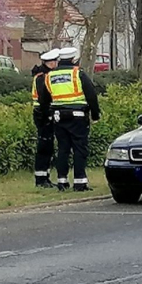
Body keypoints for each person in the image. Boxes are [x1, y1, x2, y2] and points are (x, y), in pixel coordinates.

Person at [39, 47, 101, 192]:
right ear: (74, 59)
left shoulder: (49, 76)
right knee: (79, 149)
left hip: (58, 117)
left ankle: (62, 182)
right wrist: (95, 114)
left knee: (63, 149)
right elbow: (91, 95)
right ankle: (80, 183)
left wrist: (44, 117)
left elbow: (44, 100)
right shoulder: (78, 73)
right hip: (78, 117)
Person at [32, 49, 60, 188]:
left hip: (45, 112)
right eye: (53, 62)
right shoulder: (42, 77)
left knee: (48, 147)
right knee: (44, 146)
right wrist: (47, 115)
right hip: (42, 113)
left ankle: (45, 177)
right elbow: (44, 98)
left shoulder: (45, 75)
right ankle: (40, 179)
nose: (55, 64)